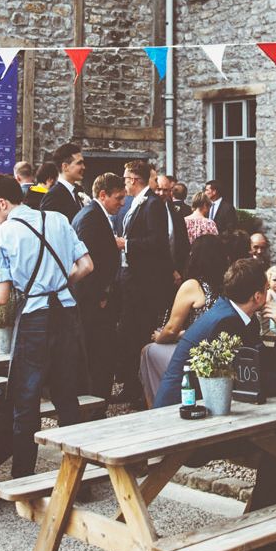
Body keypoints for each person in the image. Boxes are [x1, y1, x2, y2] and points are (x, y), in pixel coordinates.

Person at [0, 175, 92, 479]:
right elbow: (87, 266)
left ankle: (22, 477)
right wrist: (59, 285)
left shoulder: (3, 234)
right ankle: (77, 478)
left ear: (2, 203)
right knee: (67, 399)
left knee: (26, 399)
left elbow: (1, 296)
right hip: (66, 311)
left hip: (36, 316)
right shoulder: (59, 219)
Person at [153, 258, 276, 408]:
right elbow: (250, 381)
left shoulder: (241, 315)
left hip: (206, 401)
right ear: (257, 296)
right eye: (267, 289)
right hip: (180, 406)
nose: (269, 294)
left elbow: (264, 364)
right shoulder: (226, 322)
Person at [139, 233, 227, 406]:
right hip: (219, 350)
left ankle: (156, 404)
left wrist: (159, 337)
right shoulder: (225, 284)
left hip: (195, 355)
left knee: (148, 351)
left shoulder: (192, 285)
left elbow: (171, 329)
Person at [114, 159, 173, 406]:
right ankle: (131, 385)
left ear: (134, 180)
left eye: (126, 179)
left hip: (145, 283)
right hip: (130, 278)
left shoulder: (153, 205)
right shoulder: (133, 204)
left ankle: (143, 391)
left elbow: (158, 242)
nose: (124, 184)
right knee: (129, 334)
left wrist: (126, 244)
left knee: (140, 334)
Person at [72, 172, 127, 401]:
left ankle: (97, 399)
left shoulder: (94, 215)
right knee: (97, 355)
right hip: (93, 304)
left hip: (97, 301)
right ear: (103, 195)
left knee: (101, 354)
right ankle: (94, 402)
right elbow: (89, 264)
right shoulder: (91, 218)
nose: (122, 203)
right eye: (118, 198)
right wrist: (100, 296)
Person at [41, 142, 86, 221]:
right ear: (65, 167)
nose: (83, 167)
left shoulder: (76, 193)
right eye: (79, 163)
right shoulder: (53, 196)